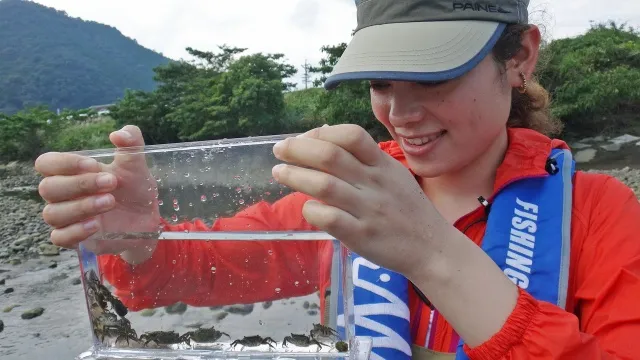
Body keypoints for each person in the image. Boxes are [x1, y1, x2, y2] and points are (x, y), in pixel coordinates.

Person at [34, 0, 640, 359]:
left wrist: (431, 254)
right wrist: (138, 241)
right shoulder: (345, 197)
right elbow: (199, 269)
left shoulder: (599, 213)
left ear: (520, 58)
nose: (399, 113)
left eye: (433, 79)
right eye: (381, 83)